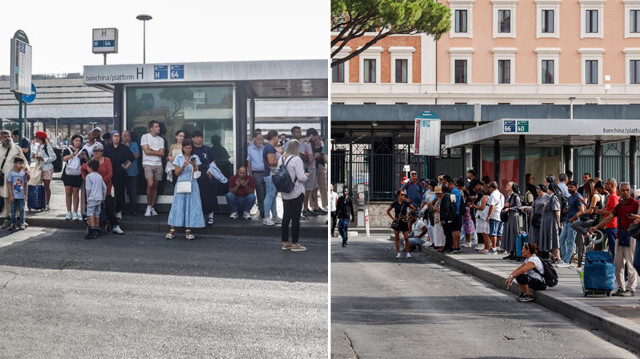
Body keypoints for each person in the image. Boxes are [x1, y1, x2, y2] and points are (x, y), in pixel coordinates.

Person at [589, 182, 638, 297]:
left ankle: (631, 289)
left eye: (627, 190)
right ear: (619, 192)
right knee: (618, 263)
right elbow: (609, 218)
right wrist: (596, 227)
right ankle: (621, 288)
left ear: (630, 192)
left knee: (631, 264)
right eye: (623, 190)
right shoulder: (620, 205)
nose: (625, 193)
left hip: (631, 236)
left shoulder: (635, 204)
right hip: (620, 236)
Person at [81, 142, 124, 235]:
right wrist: (86, 178)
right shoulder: (91, 161)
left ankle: (115, 226)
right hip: (94, 191)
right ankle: (95, 227)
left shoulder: (107, 160)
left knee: (109, 208)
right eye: (95, 151)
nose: (96, 153)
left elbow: (110, 174)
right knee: (95, 210)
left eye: (98, 151)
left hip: (106, 189)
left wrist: (100, 182)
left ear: (102, 152)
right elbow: (83, 168)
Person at [166, 139, 205, 240]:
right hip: (181, 182)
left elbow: (197, 173)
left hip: (192, 183)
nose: (188, 150)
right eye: (186, 148)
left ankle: (189, 229)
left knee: (191, 205)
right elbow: (177, 173)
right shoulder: (178, 157)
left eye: (190, 148)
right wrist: (183, 166)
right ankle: (172, 228)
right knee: (178, 204)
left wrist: (194, 165)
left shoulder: (195, 157)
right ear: (183, 148)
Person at [278, 139, 310, 252]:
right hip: (296, 191)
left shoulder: (281, 158)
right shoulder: (297, 159)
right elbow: (301, 178)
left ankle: (285, 242)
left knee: (286, 217)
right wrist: (306, 175)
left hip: (285, 191)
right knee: (296, 218)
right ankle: (295, 243)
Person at [104, 130, 135, 220]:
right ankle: (109, 210)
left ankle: (119, 211)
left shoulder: (123, 148)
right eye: (115, 136)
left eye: (118, 136)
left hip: (120, 172)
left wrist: (125, 167)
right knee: (108, 191)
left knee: (119, 192)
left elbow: (131, 158)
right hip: (109, 172)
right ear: (112, 137)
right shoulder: (108, 148)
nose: (116, 138)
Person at [570, 181, 602, 267]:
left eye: (586, 190)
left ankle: (587, 234)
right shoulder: (593, 196)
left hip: (593, 220)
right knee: (579, 238)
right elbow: (591, 208)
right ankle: (580, 261)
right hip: (590, 219)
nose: (585, 192)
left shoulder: (595, 196)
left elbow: (591, 211)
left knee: (574, 225)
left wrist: (581, 212)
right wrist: (584, 203)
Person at [191, 131, 218, 225]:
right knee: (198, 195)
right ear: (193, 138)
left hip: (207, 174)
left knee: (210, 195)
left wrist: (211, 170)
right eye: (197, 137)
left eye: (201, 137)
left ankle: (211, 215)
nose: (199, 139)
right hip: (195, 174)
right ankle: (199, 215)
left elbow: (213, 160)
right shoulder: (191, 149)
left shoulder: (207, 149)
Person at [140, 120, 165, 217]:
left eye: (158, 126)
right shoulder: (145, 137)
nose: (158, 128)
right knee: (150, 184)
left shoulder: (161, 140)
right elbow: (146, 152)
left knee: (155, 186)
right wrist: (156, 151)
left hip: (158, 164)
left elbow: (162, 153)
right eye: (156, 126)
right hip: (147, 164)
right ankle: (148, 206)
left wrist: (152, 150)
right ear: (151, 128)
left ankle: (152, 206)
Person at [558, 181, 585, 268]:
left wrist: (574, 218)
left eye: (571, 187)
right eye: (568, 187)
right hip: (567, 221)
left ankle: (566, 260)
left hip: (573, 222)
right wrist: (566, 211)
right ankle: (565, 259)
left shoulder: (578, 197)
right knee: (562, 239)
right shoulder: (570, 197)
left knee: (570, 241)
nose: (569, 189)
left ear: (576, 187)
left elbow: (581, 210)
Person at [595, 178, 620, 262]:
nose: (605, 185)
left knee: (613, 249)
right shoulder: (611, 196)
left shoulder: (613, 197)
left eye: (607, 184)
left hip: (612, 225)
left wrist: (602, 211)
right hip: (610, 225)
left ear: (612, 186)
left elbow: (613, 213)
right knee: (612, 248)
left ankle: (615, 268)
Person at [62, 134, 85, 220]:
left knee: (76, 193)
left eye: (80, 141)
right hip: (68, 174)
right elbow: (64, 159)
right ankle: (68, 212)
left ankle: (75, 212)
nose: (78, 142)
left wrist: (84, 157)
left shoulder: (83, 150)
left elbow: (86, 161)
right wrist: (73, 154)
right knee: (68, 193)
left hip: (77, 174)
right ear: (72, 141)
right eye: (76, 140)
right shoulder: (67, 150)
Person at [387, 189, 415, 258]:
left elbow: (413, 208)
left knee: (406, 237)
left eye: (404, 195)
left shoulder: (405, 203)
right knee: (397, 238)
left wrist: (407, 214)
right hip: (397, 221)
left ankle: (408, 253)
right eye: (402, 194)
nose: (403, 196)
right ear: (398, 195)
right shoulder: (395, 203)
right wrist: (392, 218)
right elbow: (388, 211)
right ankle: (398, 253)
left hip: (404, 221)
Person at [540, 182, 563, 262]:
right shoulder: (551, 198)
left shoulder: (554, 198)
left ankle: (557, 256)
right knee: (551, 238)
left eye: (548, 188)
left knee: (553, 238)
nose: (547, 190)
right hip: (548, 221)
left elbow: (557, 210)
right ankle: (554, 256)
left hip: (552, 221)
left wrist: (558, 221)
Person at [262, 130, 281, 226]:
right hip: (270, 175)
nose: (278, 139)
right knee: (270, 195)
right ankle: (266, 217)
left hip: (271, 174)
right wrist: (282, 161)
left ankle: (274, 216)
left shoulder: (269, 147)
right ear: (274, 137)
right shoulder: (269, 148)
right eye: (278, 137)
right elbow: (271, 161)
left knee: (272, 196)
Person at [33, 131, 56, 211]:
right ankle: (40, 203)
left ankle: (47, 204)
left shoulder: (47, 147)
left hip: (47, 168)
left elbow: (54, 157)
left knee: (46, 185)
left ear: (40, 138)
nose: (35, 138)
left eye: (36, 137)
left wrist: (44, 159)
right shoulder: (38, 147)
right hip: (39, 168)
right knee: (39, 185)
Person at [84, 159, 107, 239]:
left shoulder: (89, 176)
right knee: (97, 214)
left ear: (90, 168)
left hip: (92, 197)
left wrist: (88, 197)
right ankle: (98, 229)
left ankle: (92, 230)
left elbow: (88, 189)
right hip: (99, 197)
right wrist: (103, 197)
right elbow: (104, 187)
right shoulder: (99, 176)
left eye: (87, 167)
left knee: (90, 213)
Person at [301, 128, 321, 216]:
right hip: (309, 169)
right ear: (312, 136)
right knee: (308, 190)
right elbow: (308, 159)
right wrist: (315, 156)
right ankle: (305, 209)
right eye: (314, 137)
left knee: (314, 187)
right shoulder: (305, 144)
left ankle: (314, 207)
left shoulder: (305, 143)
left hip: (311, 168)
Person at [246, 130, 266, 218]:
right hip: (256, 173)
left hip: (265, 172)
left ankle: (265, 208)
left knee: (266, 191)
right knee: (260, 191)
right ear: (254, 139)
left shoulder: (264, 147)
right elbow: (249, 162)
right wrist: (250, 174)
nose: (261, 141)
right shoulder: (250, 148)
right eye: (259, 139)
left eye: (262, 139)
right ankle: (262, 210)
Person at [502, 182, 522, 259]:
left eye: (508, 185)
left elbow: (519, 206)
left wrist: (509, 208)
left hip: (513, 217)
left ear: (512, 187)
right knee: (508, 233)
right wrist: (505, 206)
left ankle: (515, 252)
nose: (506, 186)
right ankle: (510, 251)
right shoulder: (507, 196)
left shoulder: (515, 196)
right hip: (508, 217)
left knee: (513, 233)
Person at [122, 131, 140, 215]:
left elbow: (136, 155)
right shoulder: (120, 145)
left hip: (133, 171)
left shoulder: (135, 144)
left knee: (133, 191)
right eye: (125, 136)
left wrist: (127, 149)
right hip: (122, 172)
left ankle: (133, 209)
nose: (127, 137)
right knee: (122, 191)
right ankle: (123, 209)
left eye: (128, 136)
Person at [7, 157, 28, 231]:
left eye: (22, 163)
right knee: (13, 210)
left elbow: (25, 184)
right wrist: (11, 195)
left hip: (21, 195)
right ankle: (13, 223)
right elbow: (9, 184)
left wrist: (26, 195)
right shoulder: (12, 174)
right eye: (20, 163)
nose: (21, 165)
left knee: (22, 209)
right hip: (14, 195)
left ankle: (22, 222)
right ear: (15, 164)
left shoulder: (23, 174)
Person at [471, 182, 491, 253]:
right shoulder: (486, 197)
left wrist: (474, 206)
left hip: (483, 217)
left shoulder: (485, 197)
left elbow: (482, 207)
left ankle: (487, 248)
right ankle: (486, 247)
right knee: (484, 233)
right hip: (483, 217)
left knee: (485, 233)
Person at [485, 181, 504, 255]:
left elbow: (492, 206)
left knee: (493, 233)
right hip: (500, 215)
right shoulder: (501, 194)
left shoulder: (493, 195)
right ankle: (503, 248)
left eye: (489, 187)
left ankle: (493, 249)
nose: (488, 189)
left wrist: (489, 216)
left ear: (492, 188)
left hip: (494, 215)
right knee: (500, 233)